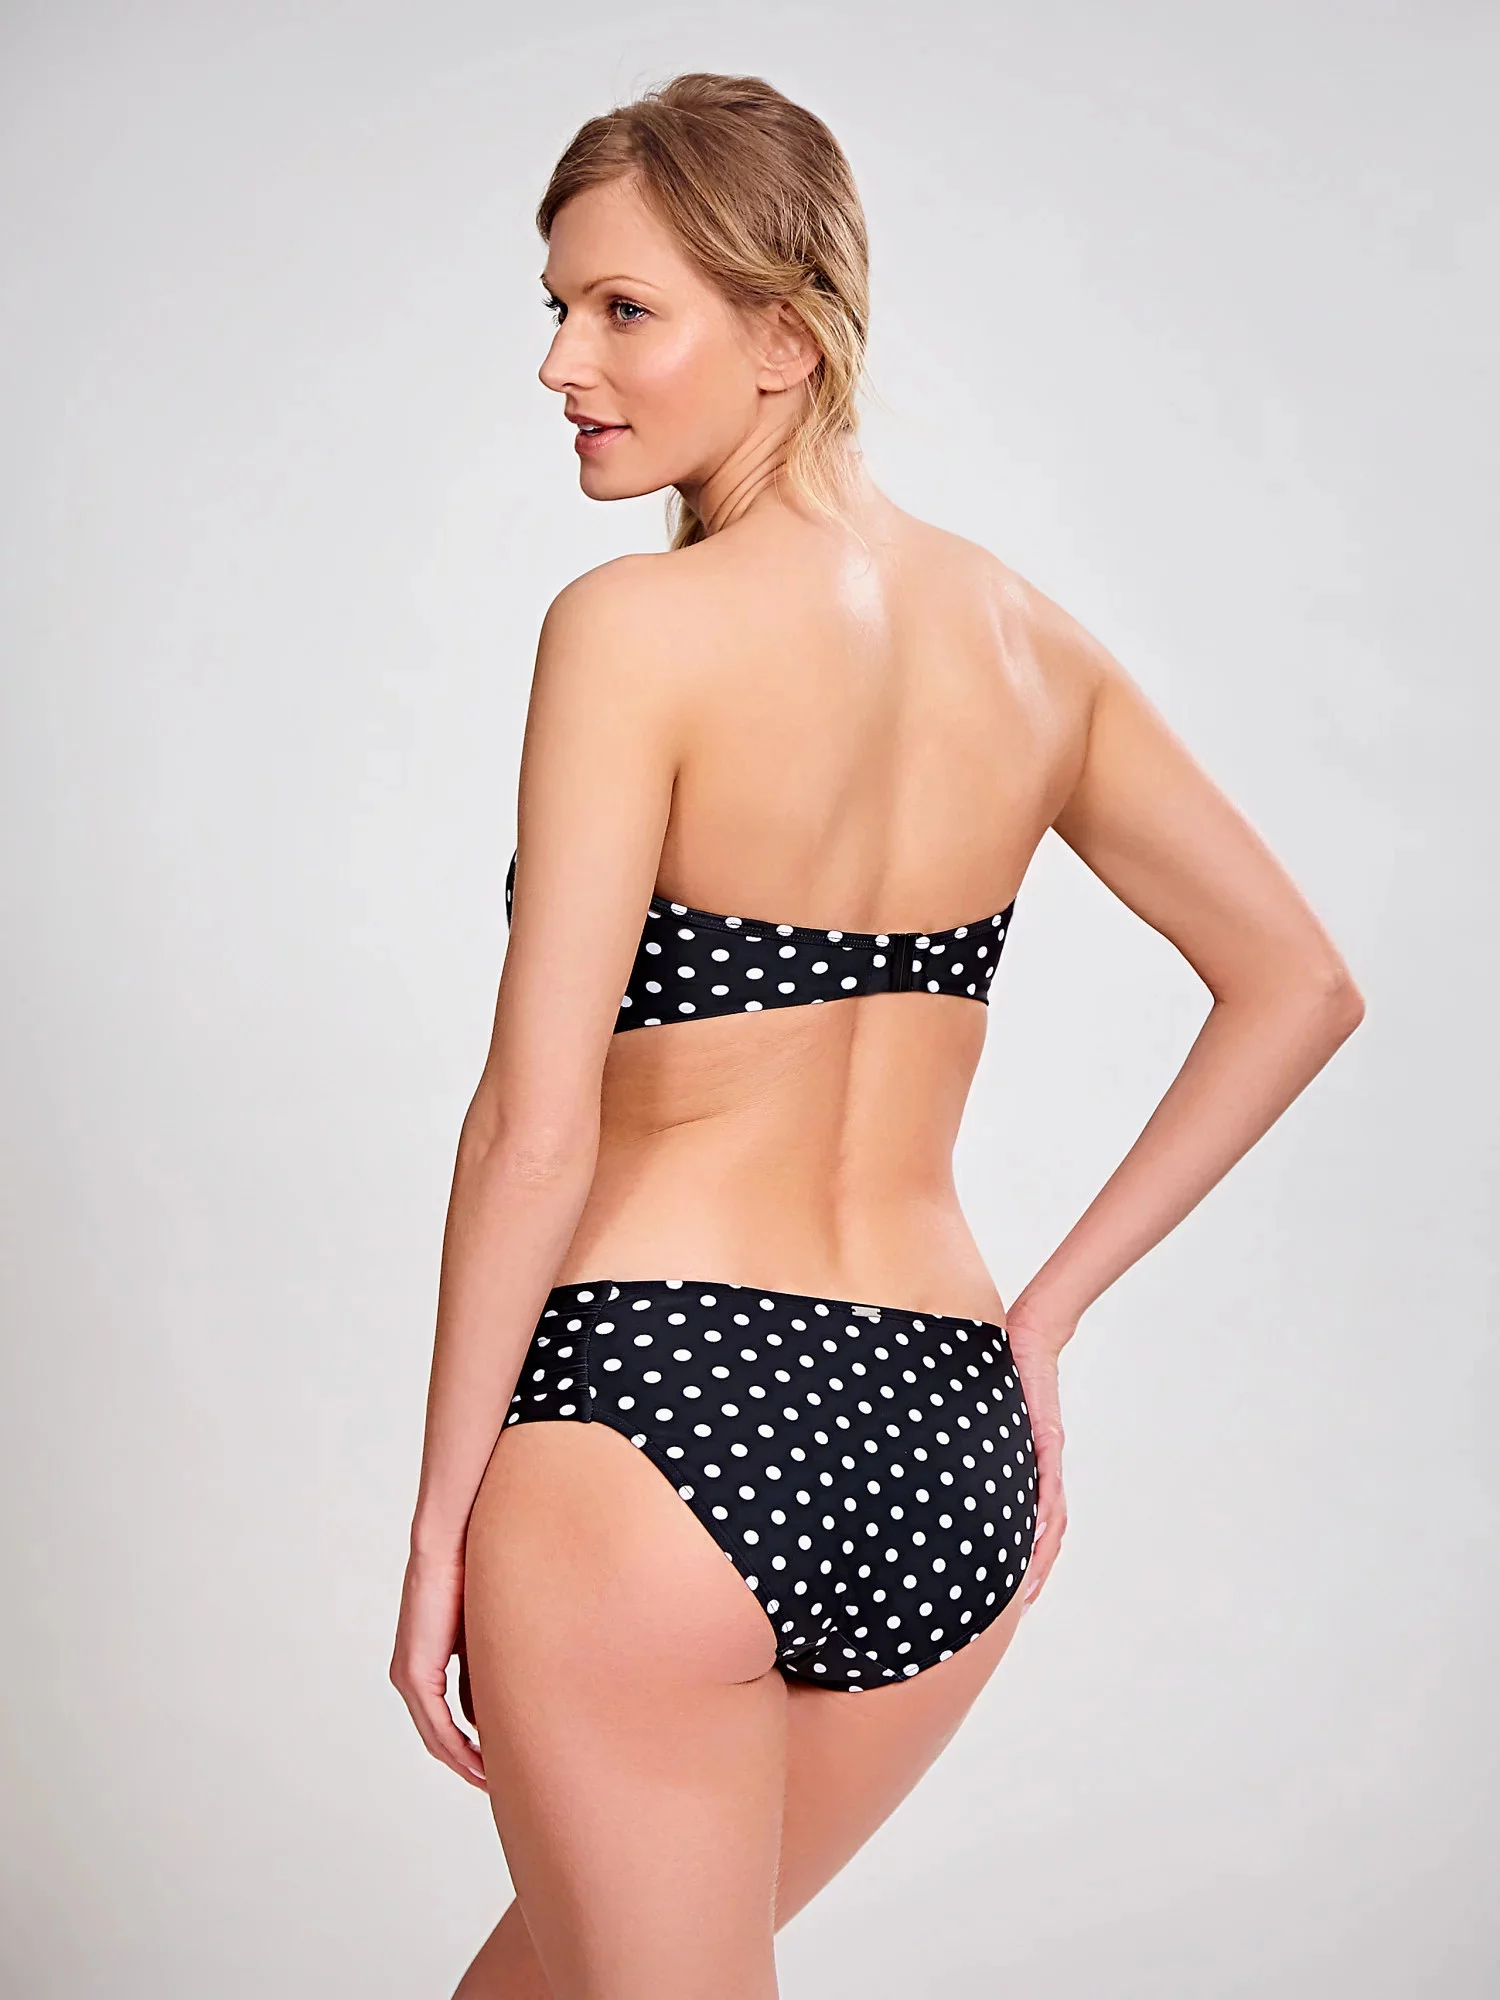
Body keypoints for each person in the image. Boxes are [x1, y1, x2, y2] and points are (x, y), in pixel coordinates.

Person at [389, 71, 1364, 2000]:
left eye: (624, 309)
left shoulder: (631, 628)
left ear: (786, 335)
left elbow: (534, 1128)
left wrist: (438, 1528)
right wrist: (1041, 1322)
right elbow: (1300, 984)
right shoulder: (1030, 644)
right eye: (558, 307)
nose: (562, 363)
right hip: (941, 1430)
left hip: (656, 1413)